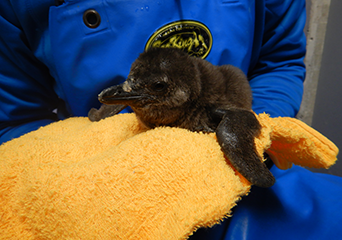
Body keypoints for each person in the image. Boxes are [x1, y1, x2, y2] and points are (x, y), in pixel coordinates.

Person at [1, 0, 341, 239]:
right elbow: (17, 118)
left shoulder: (221, 99)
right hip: (100, 176)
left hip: (233, 156)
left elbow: (278, 58)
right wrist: (90, 184)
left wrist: (242, 147)